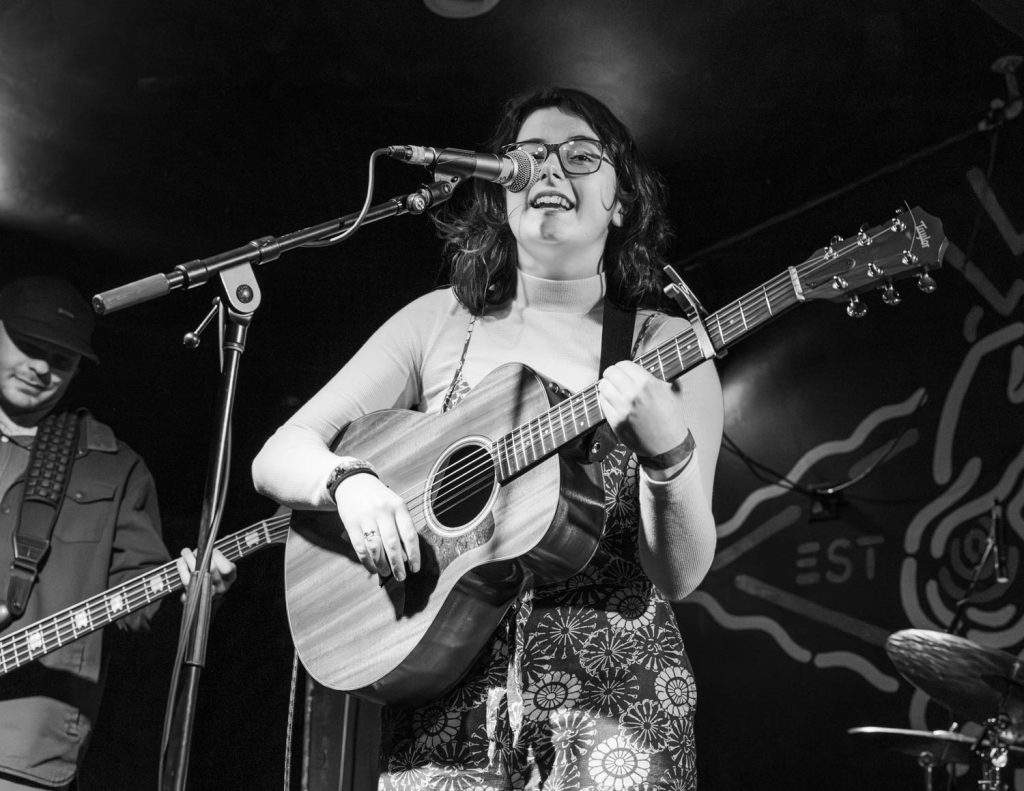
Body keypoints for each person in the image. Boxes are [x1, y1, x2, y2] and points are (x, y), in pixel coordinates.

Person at [253, 86, 723, 790]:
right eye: (529, 155)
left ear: (622, 202)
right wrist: (349, 482)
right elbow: (279, 454)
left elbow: (680, 574)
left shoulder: (666, 345)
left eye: (580, 155)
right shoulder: (441, 321)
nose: (550, 169)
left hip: (613, 698)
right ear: (502, 190)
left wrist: (668, 455)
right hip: (442, 698)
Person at [0, 275, 237, 790]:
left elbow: (144, 610)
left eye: (61, 359)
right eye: (29, 347)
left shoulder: (113, 468)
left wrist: (196, 597)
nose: (41, 368)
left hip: (20, 751)